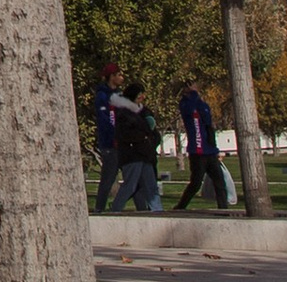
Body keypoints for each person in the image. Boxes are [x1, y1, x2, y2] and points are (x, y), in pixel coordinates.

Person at [175, 81, 231, 211]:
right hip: (197, 152)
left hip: (209, 151)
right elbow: (189, 110)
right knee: (196, 183)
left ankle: (223, 209)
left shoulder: (202, 104)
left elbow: (207, 119)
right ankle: (181, 207)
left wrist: (214, 148)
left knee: (219, 181)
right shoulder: (184, 104)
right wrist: (193, 94)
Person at [107, 83, 162, 215]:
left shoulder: (144, 111)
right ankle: (115, 209)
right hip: (132, 155)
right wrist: (143, 136)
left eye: (143, 94)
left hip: (145, 154)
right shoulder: (123, 113)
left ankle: (157, 211)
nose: (142, 97)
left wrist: (151, 140)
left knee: (151, 186)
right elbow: (124, 134)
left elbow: (153, 131)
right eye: (139, 94)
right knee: (130, 185)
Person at [90, 70, 119, 213]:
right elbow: (104, 120)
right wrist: (112, 136)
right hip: (109, 143)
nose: (121, 78)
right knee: (108, 177)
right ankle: (99, 208)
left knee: (135, 177)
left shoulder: (119, 95)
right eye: (118, 75)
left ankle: (143, 208)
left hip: (122, 142)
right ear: (111, 77)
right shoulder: (102, 96)